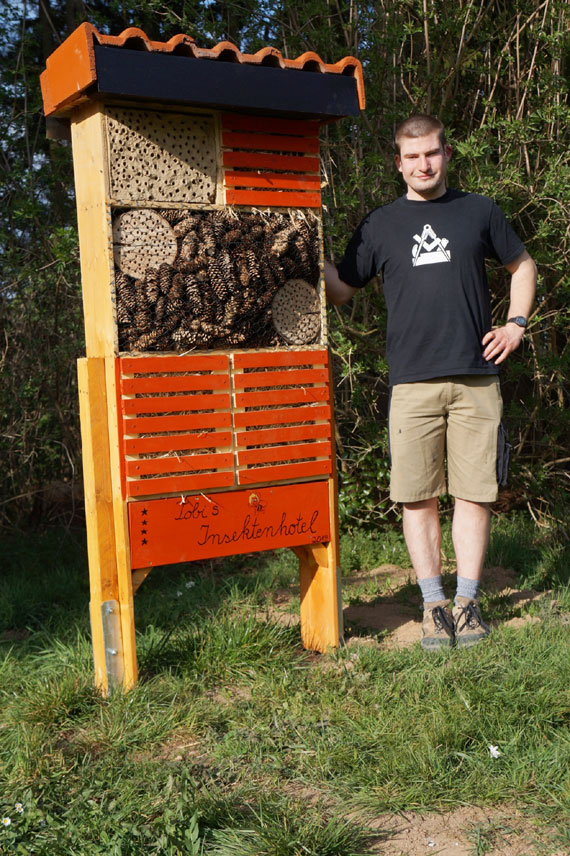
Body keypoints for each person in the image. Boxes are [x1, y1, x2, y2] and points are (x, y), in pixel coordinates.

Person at [325, 114, 536, 651]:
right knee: (417, 498)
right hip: (412, 384)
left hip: (475, 378)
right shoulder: (379, 225)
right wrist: (301, 251)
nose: (423, 164)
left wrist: (515, 325)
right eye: (412, 156)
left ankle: (467, 603)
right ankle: (433, 605)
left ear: (446, 155)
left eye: (432, 154)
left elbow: (522, 265)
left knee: (474, 494)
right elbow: (343, 289)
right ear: (398, 163)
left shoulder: (479, 211)